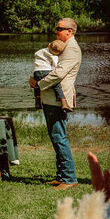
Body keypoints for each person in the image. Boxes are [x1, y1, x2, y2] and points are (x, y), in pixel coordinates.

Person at [29, 18, 80, 190]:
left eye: (59, 28)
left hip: (59, 99)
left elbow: (58, 73)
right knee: (56, 136)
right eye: (56, 28)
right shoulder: (65, 46)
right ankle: (61, 176)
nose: (56, 31)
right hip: (52, 98)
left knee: (59, 137)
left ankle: (69, 178)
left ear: (69, 31)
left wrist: (38, 84)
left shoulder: (72, 49)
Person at [32, 38, 70, 111]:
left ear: (49, 45)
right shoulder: (54, 56)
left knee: (36, 86)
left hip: (36, 72)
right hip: (46, 71)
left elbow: (36, 56)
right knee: (56, 85)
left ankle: (37, 101)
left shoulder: (40, 51)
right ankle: (63, 101)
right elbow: (55, 66)